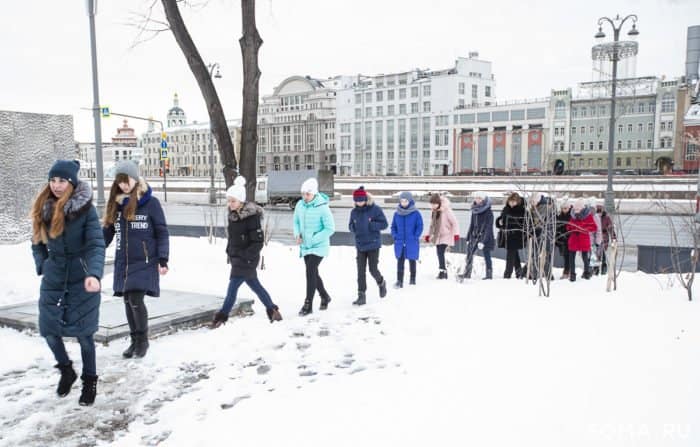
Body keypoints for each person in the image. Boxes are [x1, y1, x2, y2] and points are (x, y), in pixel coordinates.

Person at [30, 160, 105, 406]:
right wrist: (42, 264)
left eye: (62, 180)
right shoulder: (44, 207)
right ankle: (66, 370)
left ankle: (89, 380)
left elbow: (96, 244)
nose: (56, 185)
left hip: (82, 279)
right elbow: (37, 242)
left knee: (85, 336)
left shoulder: (86, 210)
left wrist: (94, 274)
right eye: (53, 180)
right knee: (49, 331)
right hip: (54, 277)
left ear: (72, 183)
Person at [103, 160, 169, 359]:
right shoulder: (117, 203)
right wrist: (95, 247)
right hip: (124, 261)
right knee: (127, 300)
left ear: (135, 179)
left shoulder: (151, 203)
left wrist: (163, 258)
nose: (123, 185)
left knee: (135, 299)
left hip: (145, 260)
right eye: (120, 181)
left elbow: (162, 232)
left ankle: (143, 341)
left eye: (127, 180)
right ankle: (134, 340)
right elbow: (107, 232)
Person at [212, 176, 282, 327]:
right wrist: (229, 250)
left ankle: (221, 318)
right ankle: (273, 310)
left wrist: (244, 255)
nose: (230, 204)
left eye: (233, 201)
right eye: (228, 200)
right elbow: (234, 237)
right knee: (255, 285)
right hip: (237, 258)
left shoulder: (251, 217)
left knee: (232, 289)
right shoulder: (233, 216)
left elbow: (257, 242)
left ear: (241, 201)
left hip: (246, 260)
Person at [294, 177, 335, 316]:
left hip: (319, 246)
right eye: (303, 193)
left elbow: (330, 228)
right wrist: (297, 234)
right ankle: (324, 296)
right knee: (313, 273)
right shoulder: (300, 205)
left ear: (314, 193)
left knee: (310, 271)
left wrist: (313, 239)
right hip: (305, 246)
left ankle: (308, 304)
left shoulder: (322, 207)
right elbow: (296, 222)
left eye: (308, 194)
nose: (305, 197)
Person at [348, 186, 388, 305]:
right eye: (357, 201)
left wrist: (372, 225)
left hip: (373, 244)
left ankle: (381, 282)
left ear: (365, 199)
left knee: (373, 269)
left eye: (361, 200)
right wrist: (353, 227)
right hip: (360, 245)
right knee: (360, 271)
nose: (359, 203)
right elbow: (350, 225)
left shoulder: (375, 209)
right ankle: (361, 295)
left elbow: (384, 224)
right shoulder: (353, 212)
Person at [390, 191, 423, 288]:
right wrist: (395, 235)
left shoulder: (416, 213)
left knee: (412, 260)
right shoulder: (397, 214)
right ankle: (399, 281)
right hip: (400, 241)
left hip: (411, 241)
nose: (403, 203)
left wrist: (415, 236)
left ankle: (412, 279)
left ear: (410, 201)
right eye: (402, 201)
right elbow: (393, 226)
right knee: (400, 261)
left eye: (405, 201)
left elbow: (420, 226)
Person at [460, 192, 495, 280]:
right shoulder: (474, 210)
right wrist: (468, 237)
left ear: (483, 199)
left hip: (485, 236)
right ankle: (467, 273)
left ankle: (489, 274)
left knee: (487, 255)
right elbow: (472, 225)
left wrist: (483, 241)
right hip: (474, 235)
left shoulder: (488, 212)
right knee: (470, 254)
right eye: (476, 198)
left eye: (479, 198)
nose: (477, 200)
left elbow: (488, 227)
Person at [425, 194, 459, 279]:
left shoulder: (447, 211)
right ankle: (442, 271)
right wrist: (428, 235)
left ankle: (443, 272)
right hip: (437, 236)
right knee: (439, 253)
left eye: (435, 204)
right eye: (432, 204)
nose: (433, 206)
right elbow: (432, 225)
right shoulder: (434, 211)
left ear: (439, 203)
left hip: (446, 235)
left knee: (440, 253)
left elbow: (454, 223)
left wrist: (456, 234)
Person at [495, 192, 526, 279]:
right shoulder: (506, 209)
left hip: (516, 236)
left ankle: (507, 274)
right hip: (507, 235)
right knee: (514, 254)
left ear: (518, 202)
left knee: (510, 255)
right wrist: (499, 221)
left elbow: (525, 224)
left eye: (514, 201)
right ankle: (519, 272)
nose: (511, 203)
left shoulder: (522, 210)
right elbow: (501, 221)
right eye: (510, 201)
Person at [566, 199, 598, 281]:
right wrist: (572, 228)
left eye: (578, 209)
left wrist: (583, 228)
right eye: (575, 209)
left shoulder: (588, 216)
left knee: (585, 257)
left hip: (583, 239)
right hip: (574, 239)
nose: (576, 211)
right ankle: (572, 275)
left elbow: (594, 227)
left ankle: (586, 273)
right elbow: (568, 226)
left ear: (582, 209)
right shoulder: (573, 216)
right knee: (571, 257)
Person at [596, 204, 616, 275]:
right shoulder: (595, 217)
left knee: (603, 254)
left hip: (604, 238)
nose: (599, 213)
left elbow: (610, 228)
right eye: (597, 211)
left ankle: (604, 268)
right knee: (596, 254)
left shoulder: (607, 218)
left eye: (600, 211)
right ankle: (596, 269)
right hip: (596, 238)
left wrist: (613, 237)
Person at [555, 202, 573, 280]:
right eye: (562, 208)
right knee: (565, 256)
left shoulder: (572, 216)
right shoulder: (559, 216)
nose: (564, 210)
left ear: (569, 208)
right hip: (562, 239)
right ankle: (567, 271)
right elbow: (557, 227)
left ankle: (567, 272)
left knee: (568, 256)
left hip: (570, 239)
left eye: (565, 208)